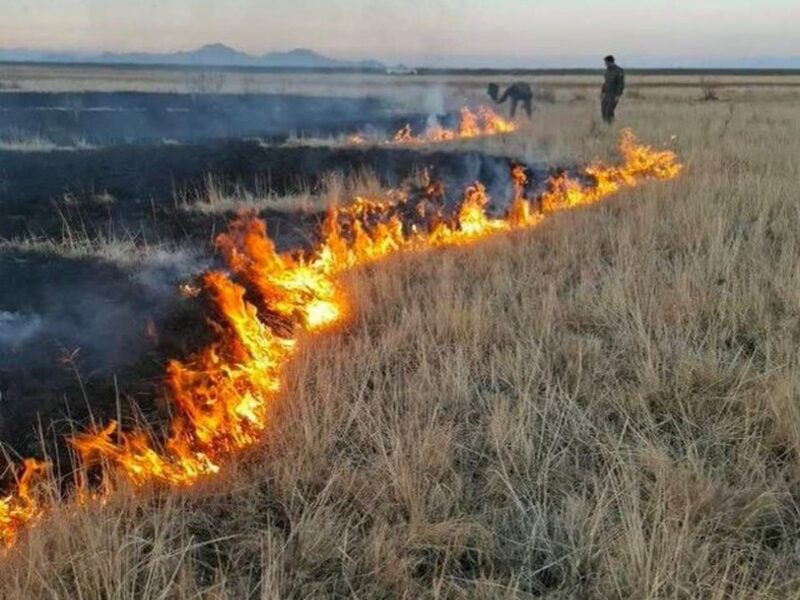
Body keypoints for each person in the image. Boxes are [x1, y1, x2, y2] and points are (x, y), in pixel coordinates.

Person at [601, 55, 625, 124]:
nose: (605, 64)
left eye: (606, 62)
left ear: (610, 62)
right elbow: (605, 82)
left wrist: (618, 95)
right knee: (603, 111)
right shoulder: (607, 71)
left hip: (613, 94)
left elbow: (621, 84)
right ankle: (605, 126)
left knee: (609, 111)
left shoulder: (619, 71)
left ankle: (610, 126)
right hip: (606, 94)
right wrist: (602, 92)